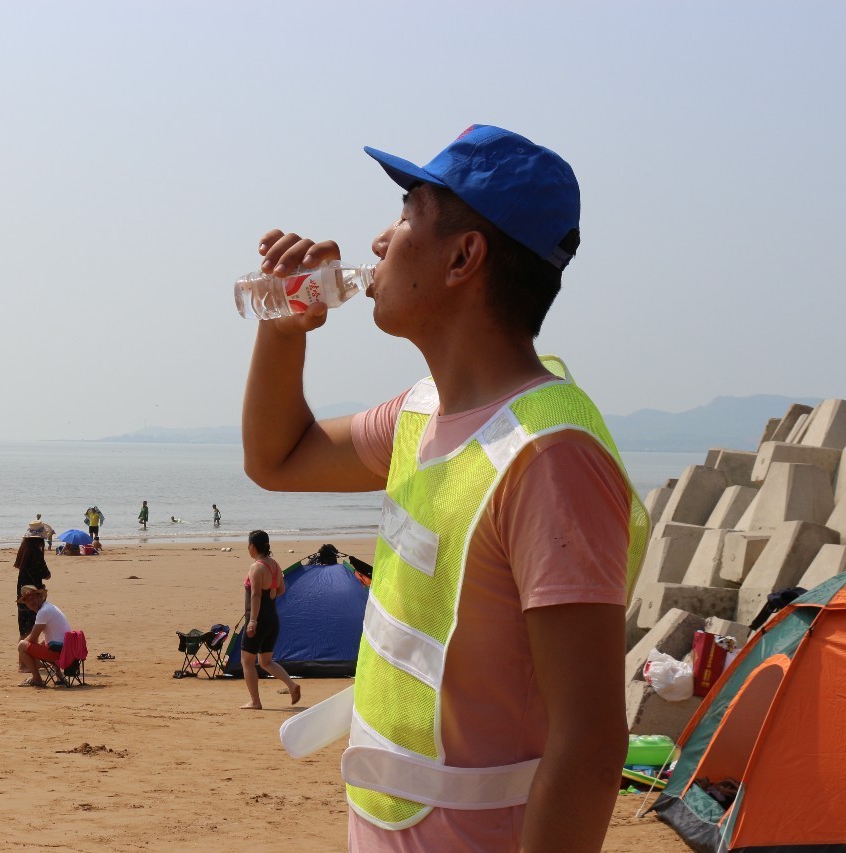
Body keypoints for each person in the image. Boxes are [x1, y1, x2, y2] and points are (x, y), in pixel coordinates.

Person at [241, 126, 647, 850]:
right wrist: (283, 328)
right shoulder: (421, 410)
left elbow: (589, 746)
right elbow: (277, 457)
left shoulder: (549, 456)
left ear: (464, 257)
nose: (377, 241)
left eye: (405, 214)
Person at [238, 529, 300, 710]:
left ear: (253, 546)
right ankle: (292, 685)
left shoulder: (256, 567)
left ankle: (255, 701)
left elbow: (256, 595)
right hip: (272, 619)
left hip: (258, 620)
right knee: (265, 662)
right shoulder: (274, 565)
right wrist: (271, 591)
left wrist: (252, 621)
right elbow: (281, 590)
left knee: (247, 661)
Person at [15, 585, 70, 687]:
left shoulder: (43, 612)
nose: (31, 602)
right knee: (42, 642)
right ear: (26, 604)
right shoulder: (49, 607)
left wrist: (25, 646)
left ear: (39, 597)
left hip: (59, 653)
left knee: (22, 645)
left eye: (33, 598)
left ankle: (37, 679)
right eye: (28, 600)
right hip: (66, 649)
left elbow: (31, 638)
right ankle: (60, 676)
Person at [13, 536, 52, 639]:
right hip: (33, 592)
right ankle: (28, 654)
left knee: (23, 630)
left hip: (22, 591)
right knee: (32, 630)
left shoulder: (23, 550)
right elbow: (46, 574)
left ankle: (22, 653)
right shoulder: (36, 553)